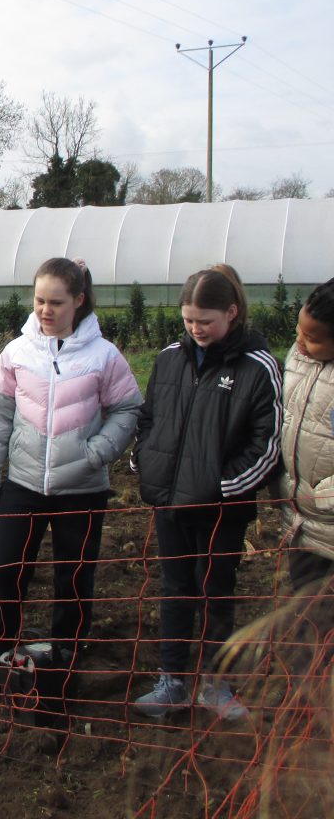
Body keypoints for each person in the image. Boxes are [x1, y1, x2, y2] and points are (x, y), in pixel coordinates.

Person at [0, 258, 142, 704]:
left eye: (56, 302)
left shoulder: (104, 356)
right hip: (21, 484)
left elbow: (129, 410)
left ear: (78, 301)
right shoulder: (17, 353)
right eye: (39, 300)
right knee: (6, 571)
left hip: (82, 488)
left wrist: (94, 454)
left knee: (74, 577)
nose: (45, 310)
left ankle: (67, 655)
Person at [132, 264, 282, 721]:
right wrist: (147, 464)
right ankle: (172, 681)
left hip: (221, 509)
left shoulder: (258, 367)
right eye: (188, 320)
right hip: (170, 503)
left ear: (232, 313)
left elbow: (267, 443)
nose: (195, 329)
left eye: (205, 321)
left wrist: (220, 487)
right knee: (176, 589)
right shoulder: (170, 358)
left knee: (216, 591)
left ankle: (217, 684)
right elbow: (150, 417)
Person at [279, 278, 334, 591]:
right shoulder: (300, 358)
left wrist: (321, 496)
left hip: (326, 520)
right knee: (307, 622)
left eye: (311, 337)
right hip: (302, 525)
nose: (300, 341)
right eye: (298, 330)